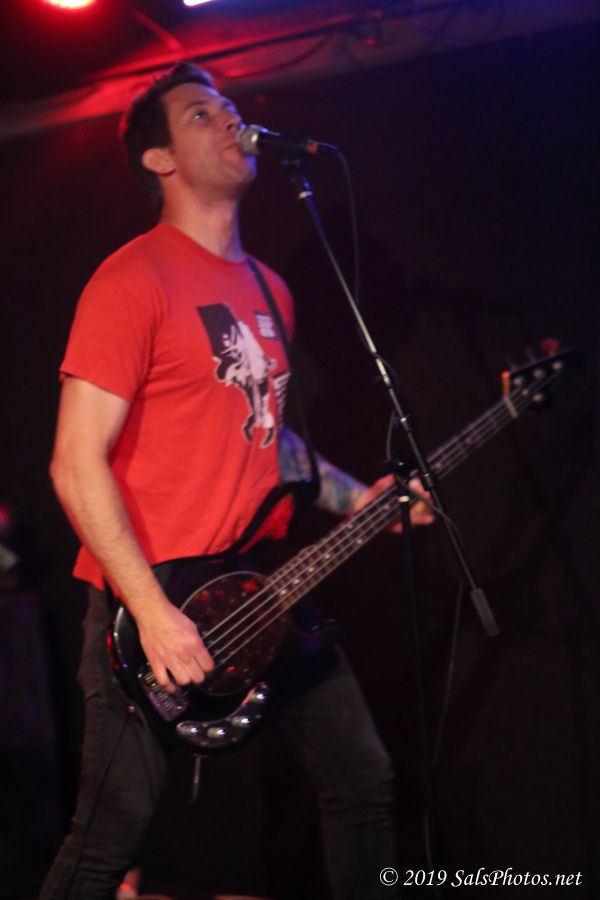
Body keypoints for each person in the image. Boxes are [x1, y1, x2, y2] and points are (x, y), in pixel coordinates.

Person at [40, 63, 433, 900]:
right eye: (199, 114)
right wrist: (152, 613)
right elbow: (74, 461)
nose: (229, 121)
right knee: (109, 838)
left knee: (363, 779)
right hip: (151, 601)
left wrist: (357, 499)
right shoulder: (133, 279)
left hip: (256, 590)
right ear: (159, 160)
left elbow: (264, 437)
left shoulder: (271, 291)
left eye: (228, 108)